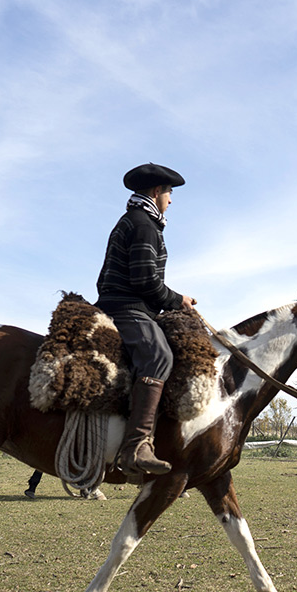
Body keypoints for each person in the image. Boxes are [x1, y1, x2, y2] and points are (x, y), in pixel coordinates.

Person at [96, 162, 196, 476]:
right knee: (158, 355)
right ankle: (136, 446)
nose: (171, 200)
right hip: (127, 307)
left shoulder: (136, 220)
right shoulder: (143, 225)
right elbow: (144, 281)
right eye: (169, 194)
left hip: (129, 304)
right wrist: (178, 300)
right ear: (156, 192)